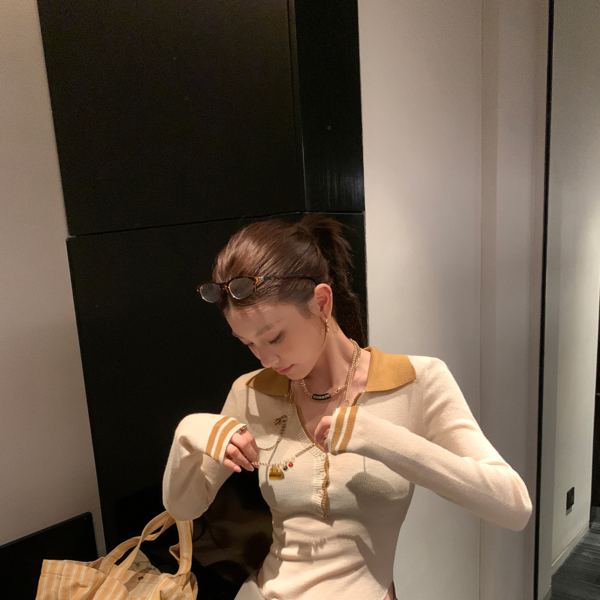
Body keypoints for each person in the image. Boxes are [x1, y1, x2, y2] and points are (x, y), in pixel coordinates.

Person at [162, 214, 532, 600]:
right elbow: (185, 507)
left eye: (276, 337)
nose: (266, 359)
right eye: (249, 344)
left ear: (321, 303)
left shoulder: (416, 381)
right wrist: (187, 435)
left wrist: (383, 439)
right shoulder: (251, 392)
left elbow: (514, 506)